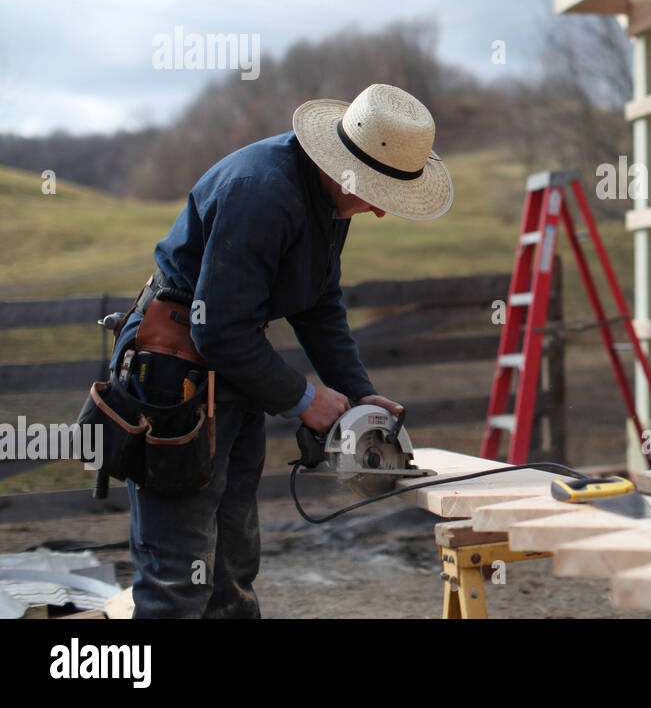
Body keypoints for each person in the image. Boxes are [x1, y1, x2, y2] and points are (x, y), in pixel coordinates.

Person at [105, 83, 453, 617]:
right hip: (173, 376)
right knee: (177, 581)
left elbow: (317, 304)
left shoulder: (329, 201)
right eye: (378, 196)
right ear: (343, 168)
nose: (380, 213)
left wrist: (360, 394)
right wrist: (304, 398)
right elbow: (218, 329)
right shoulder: (262, 191)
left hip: (230, 373)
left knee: (232, 571)